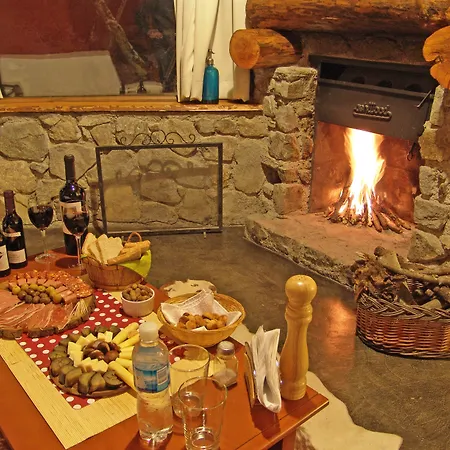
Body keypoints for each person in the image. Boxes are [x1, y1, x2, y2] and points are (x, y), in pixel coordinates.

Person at [137, 0, 176, 93]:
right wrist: (148, 30)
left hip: (178, 41)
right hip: (162, 41)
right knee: (166, 78)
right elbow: (139, 15)